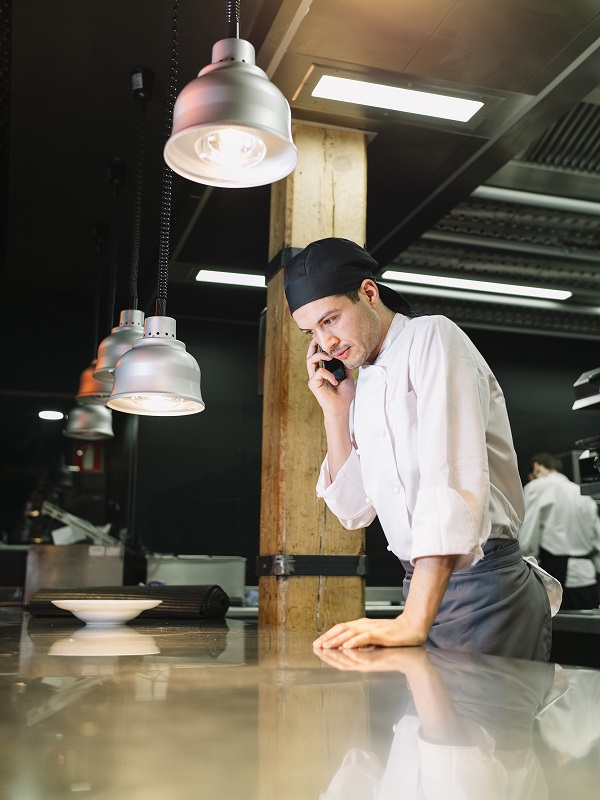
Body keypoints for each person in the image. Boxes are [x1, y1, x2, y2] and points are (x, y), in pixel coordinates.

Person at [283, 237, 561, 660]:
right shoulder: (366, 379)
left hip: (484, 588)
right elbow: (354, 510)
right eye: (312, 332)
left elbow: (448, 481)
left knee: (482, 725)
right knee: (427, 727)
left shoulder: (432, 336)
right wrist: (337, 413)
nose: (325, 343)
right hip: (419, 586)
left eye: (331, 320)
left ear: (368, 293)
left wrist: (413, 620)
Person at [519, 452, 600, 610]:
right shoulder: (582, 493)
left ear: (536, 467)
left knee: (560, 632)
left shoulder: (537, 487)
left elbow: (527, 540)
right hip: (587, 578)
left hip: (555, 577)